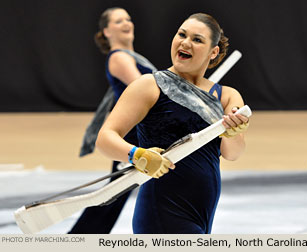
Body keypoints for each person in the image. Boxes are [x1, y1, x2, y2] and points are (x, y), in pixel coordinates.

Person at [96, 13, 250, 234]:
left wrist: (233, 131)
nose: (185, 42)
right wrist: (137, 155)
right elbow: (105, 139)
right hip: (160, 211)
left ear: (213, 52)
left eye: (197, 40)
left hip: (203, 213)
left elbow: (232, 153)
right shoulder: (150, 85)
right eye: (182, 34)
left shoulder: (227, 96)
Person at [69, 7, 156, 234]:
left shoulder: (135, 57)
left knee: (115, 194)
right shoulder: (119, 57)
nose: (127, 23)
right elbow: (143, 88)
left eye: (128, 18)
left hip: (141, 129)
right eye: (118, 21)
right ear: (107, 31)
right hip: (135, 133)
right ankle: (78, 239)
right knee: (113, 195)